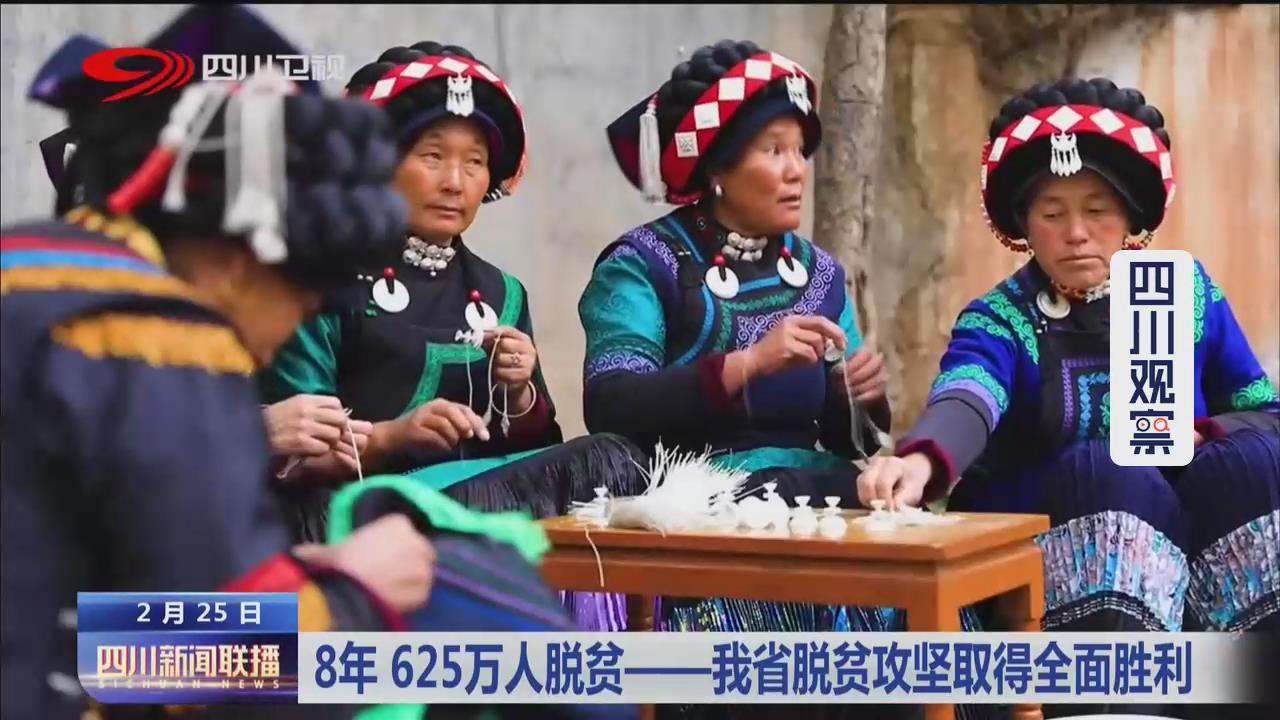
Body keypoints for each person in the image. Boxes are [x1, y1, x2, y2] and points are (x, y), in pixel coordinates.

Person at [5, 8, 633, 720]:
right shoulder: (159, 338)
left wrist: (296, 580)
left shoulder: (31, 266)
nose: (286, 334)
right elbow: (208, 665)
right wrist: (355, 593)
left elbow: (127, 622)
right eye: (306, 296)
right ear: (244, 259)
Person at [857, 77, 1279, 716]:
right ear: (1025, 227)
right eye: (1053, 214)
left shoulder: (1186, 294)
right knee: (1107, 470)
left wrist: (1204, 434)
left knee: (1252, 461)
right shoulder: (1002, 319)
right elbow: (969, 393)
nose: (1076, 232)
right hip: (1053, 537)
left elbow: (1263, 409)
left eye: (1097, 210)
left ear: (1131, 217)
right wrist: (921, 461)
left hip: (1184, 532)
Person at [257, 41, 647, 630]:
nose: (455, 182)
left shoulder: (502, 291)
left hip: (479, 499)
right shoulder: (322, 280)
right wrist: (394, 437)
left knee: (614, 456)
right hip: (356, 517)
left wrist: (520, 392)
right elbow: (296, 446)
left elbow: (536, 445)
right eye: (432, 156)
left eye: (474, 162)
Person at [589, 33, 913, 658]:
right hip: (699, 506)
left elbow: (850, 441)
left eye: (800, 150)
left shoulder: (819, 274)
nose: (796, 170)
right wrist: (747, 364)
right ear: (716, 168)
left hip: (815, 492)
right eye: (772, 150)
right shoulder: (644, 264)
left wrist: (858, 396)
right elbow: (611, 402)